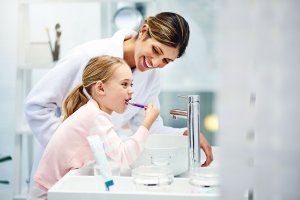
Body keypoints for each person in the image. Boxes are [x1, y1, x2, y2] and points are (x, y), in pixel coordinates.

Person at [25, 12, 213, 187]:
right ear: (144, 30)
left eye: (166, 61)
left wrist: (184, 135)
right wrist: (66, 149)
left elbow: (148, 127)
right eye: (156, 50)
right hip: (58, 172)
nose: (156, 63)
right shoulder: (86, 55)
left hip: (97, 172)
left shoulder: (151, 78)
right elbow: (37, 106)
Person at [28, 55, 160, 199]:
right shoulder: (96, 116)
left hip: (53, 189)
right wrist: (147, 123)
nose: (131, 91)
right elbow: (124, 156)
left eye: (131, 84)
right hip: (49, 195)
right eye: (124, 84)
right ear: (100, 88)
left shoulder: (92, 111)